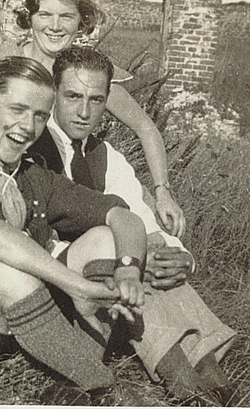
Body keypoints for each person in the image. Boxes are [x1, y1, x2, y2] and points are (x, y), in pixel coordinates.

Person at [0, 56, 149, 405]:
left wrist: (128, 270)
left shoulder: (31, 175)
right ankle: (99, 385)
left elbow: (123, 216)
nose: (27, 126)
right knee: (10, 271)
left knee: (104, 238)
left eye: (40, 116)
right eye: (17, 109)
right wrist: (77, 286)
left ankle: (74, 381)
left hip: (16, 320)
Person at [29, 45, 237, 404]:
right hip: (55, 277)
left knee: (155, 255)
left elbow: (141, 215)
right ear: (54, 93)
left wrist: (180, 258)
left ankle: (214, 378)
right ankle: (184, 384)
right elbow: (35, 239)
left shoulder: (104, 155)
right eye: (73, 96)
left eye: (96, 100)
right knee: (128, 257)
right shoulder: (34, 146)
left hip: (105, 272)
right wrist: (131, 257)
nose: (83, 112)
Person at [0, 0, 186, 238]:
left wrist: (163, 192)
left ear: (81, 22)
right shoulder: (7, 61)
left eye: (66, 16)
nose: (55, 26)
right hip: (19, 187)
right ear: (31, 18)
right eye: (45, 15)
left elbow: (145, 127)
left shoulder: (89, 74)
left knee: (156, 233)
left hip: (78, 188)